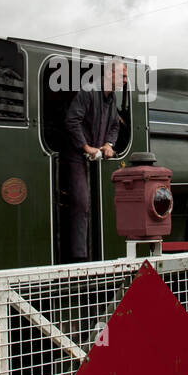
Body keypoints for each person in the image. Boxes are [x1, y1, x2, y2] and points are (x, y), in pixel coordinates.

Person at [62, 57, 127, 261]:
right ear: (110, 74)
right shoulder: (88, 91)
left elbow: (115, 125)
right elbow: (72, 120)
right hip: (76, 155)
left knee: (93, 203)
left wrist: (109, 144)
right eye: (123, 76)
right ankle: (79, 258)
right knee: (81, 203)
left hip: (95, 155)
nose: (126, 80)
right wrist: (86, 146)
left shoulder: (112, 98)